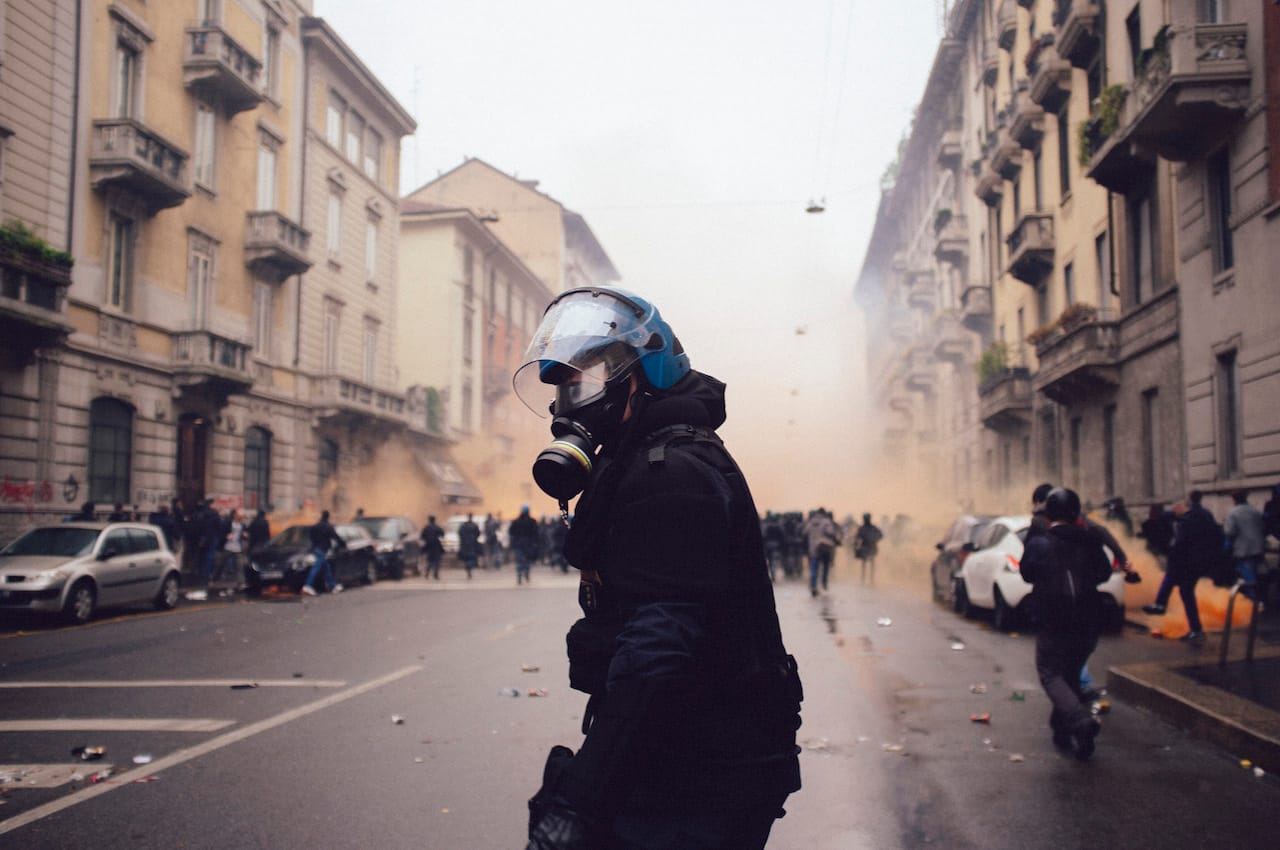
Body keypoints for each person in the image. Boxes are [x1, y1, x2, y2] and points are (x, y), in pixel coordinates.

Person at [514, 286, 801, 849]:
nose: (569, 405)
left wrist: (581, 802)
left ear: (640, 377)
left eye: (587, 382)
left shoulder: (672, 472)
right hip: (685, 754)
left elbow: (656, 652)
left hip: (704, 770)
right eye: (565, 387)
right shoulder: (642, 462)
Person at [1019, 488, 1112, 760]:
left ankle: (1080, 723)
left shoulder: (1040, 542)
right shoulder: (1090, 540)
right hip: (1089, 620)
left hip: (1054, 619)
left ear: (1049, 515)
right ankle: (1063, 730)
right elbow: (1104, 572)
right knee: (1070, 673)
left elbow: (1026, 573)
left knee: (1050, 673)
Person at [1144, 492, 1217, 642]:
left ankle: (1161, 605)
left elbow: (1180, 543)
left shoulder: (1187, 521)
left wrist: (1172, 553)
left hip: (1188, 562)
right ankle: (1195, 629)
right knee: (1186, 592)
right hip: (1201, 561)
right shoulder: (1204, 515)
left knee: (1176, 581)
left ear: (1185, 505)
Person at [1224, 490, 1265, 599]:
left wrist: (1226, 549)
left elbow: (1229, 533)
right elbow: (1262, 527)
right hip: (1258, 549)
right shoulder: (1255, 511)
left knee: (1248, 577)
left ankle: (1253, 603)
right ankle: (1260, 599)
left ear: (1234, 500)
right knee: (1257, 575)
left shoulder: (1233, 513)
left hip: (1243, 551)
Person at [302, 509, 345, 596]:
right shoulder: (328, 527)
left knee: (326, 568)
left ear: (321, 516)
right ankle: (307, 585)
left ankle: (333, 586)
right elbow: (335, 537)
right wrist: (343, 544)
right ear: (328, 517)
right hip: (322, 549)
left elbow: (311, 536)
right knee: (316, 567)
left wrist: (314, 544)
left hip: (316, 548)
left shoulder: (316, 526)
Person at [802, 507, 842, 597]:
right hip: (824, 548)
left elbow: (804, 533)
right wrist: (836, 540)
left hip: (813, 549)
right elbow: (831, 532)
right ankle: (824, 583)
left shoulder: (811, 522)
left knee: (814, 568)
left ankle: (813, 586)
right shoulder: (826, 522)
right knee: (825, 567)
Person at [217, 508, 248, 593]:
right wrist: (226, 536)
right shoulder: (228, 523)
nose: (241, 517)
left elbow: (246, 534)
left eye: (242, 516)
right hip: (228, 546)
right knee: (221, 563)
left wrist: (245, 535)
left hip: (237, 548)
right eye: (239, 515)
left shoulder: (242, 525)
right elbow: (221, 533)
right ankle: (216, 579)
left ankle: (241, 583)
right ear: (235, 515)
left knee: (239, 566)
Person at [508, 505, 541, 585]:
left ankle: (519, 574)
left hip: (518, 543)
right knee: (527, 560)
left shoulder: (516, 521)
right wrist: (535, 543)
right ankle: (526, 573)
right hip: (529, 544)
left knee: (520, 560)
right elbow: (536, 533)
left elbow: (511, 532)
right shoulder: (532, 521)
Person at [852, 513, 883, 583]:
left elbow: (880, 535)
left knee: (867, 564)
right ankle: (868, 579)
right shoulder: (872, 528)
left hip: (868, 548)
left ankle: (867, 579)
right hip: (868, 548)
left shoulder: (864, 528)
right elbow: (880, 535)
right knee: (869, 564)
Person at [419, 515, 445, 579]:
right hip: (436, 546)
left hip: (429, 546)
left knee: (430, 560)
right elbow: (442, 534)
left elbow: (422, 537)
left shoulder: (426, 528)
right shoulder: (437, 527)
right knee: (436, 561)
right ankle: (435, 574)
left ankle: (427, 573)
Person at [457, 512, 481, 579]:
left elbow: (460, 533)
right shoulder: (474, 525)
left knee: (467, 558)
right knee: (471, 557)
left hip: (465, 544)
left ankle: (468, 568)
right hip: (472, 544)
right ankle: (469, 566)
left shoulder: (464, 525)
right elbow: (478, 533)